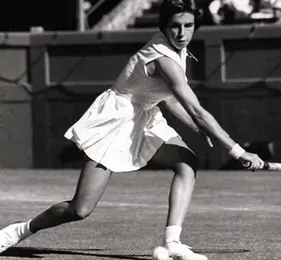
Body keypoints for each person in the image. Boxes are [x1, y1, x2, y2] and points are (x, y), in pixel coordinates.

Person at [0, 0, 264, 259]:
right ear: (163, 26)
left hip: (146, 115)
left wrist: (196, 127)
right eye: (175, 26)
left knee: (186, 162)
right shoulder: (164, 59)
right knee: (80, 209)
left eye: (189, 25)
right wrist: (239, 151)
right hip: (116, 120)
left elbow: (169, 98)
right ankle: (17, 231)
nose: (182, 33)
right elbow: (197, 109)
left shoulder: (177, 50)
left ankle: (172, 242)